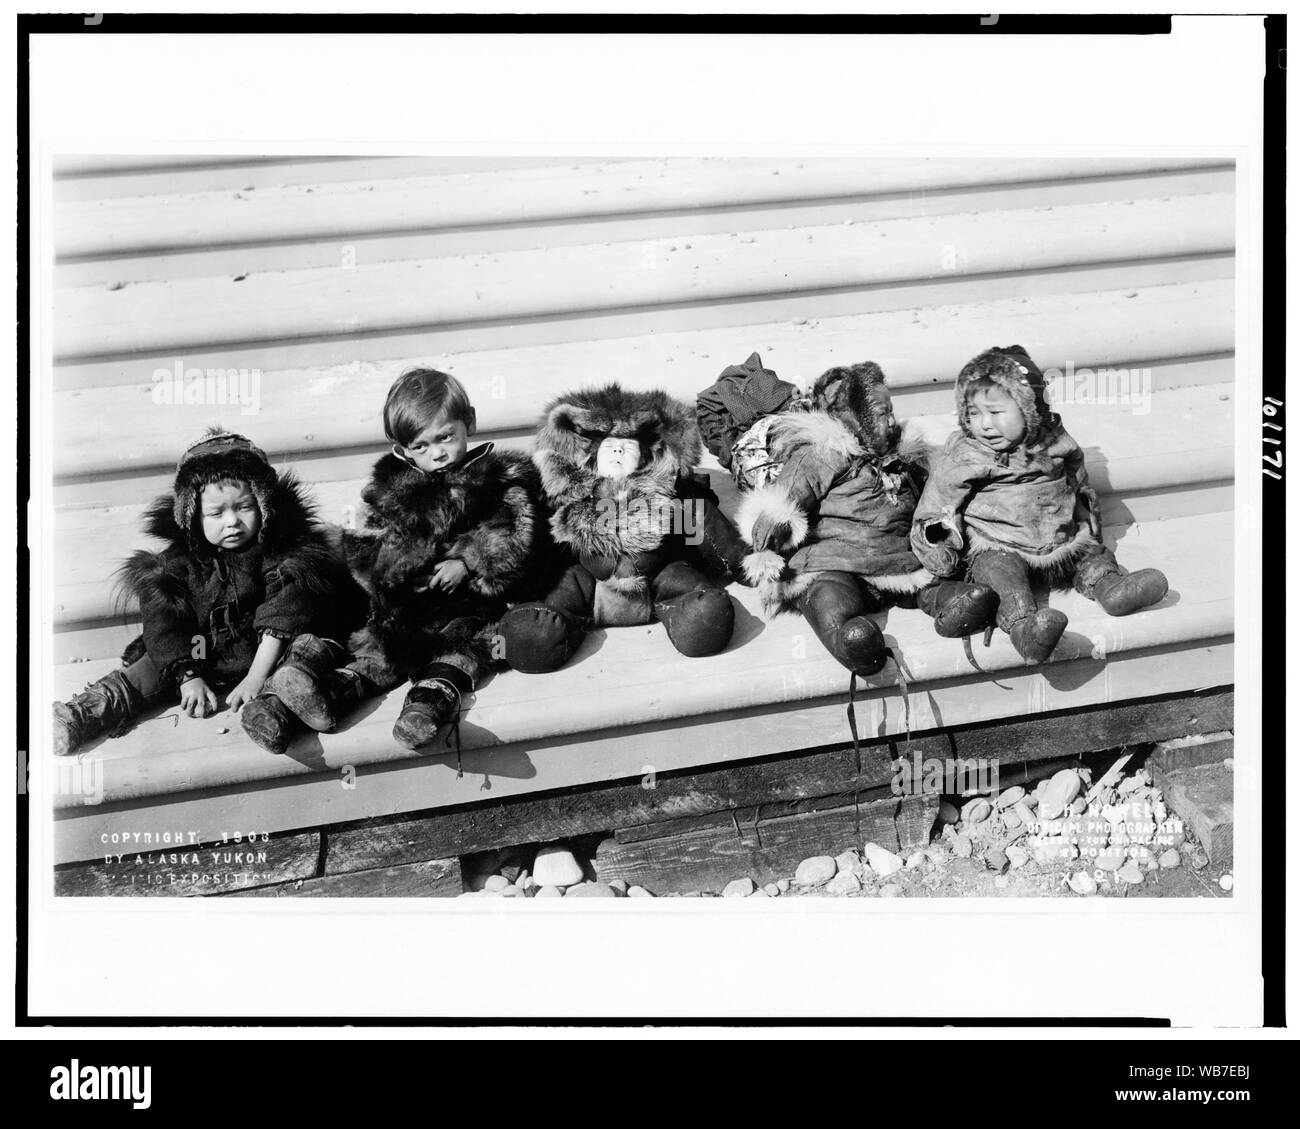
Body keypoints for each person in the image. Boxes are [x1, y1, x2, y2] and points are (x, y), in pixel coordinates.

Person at [246, 368, 551, 751]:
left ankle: (425, 707)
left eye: (446, 437)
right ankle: (290, 709)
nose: (437, 453)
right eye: (421, 447)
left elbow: (514, 536)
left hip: (471, 608)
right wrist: (402, 571)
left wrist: (469, 563)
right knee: (374, 658)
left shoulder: (498, 480)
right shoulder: (394, 490)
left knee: (461, 654)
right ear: (403, 450)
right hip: (409, 613)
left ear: (468, 422)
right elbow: (369, 545)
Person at [53, 429, 366, 756]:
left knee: (308, 651)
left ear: (264, 504)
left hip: (267, 654)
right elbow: (166, 627)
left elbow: (282, 616)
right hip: (200, 654)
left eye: (244, 507)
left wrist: (256, 677)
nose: (233, 522)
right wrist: (187, 675)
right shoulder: (177, 567)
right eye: (216, 513)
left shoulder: (283, 555)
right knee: (147, 668)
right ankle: (88, 711)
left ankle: (276, 709)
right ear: (191, 514)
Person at [910, 345, 1168, 663]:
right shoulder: (966, 454)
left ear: (1029, 409)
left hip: (1060, 540)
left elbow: (1075, 471)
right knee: (1000, 574)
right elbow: (935, 504)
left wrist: (1084, 512)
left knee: (1090, 555)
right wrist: (940, 552)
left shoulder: (1052, 440)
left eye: (996, 412)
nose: (984, 424)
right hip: (999, 542)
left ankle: (1111, 588)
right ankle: (1024, 627)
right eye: (973, 413)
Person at [737, 361, 998, 676]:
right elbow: (785, 498)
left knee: (930, 581)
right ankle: (852, 642)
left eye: (891, 411)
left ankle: (955, 603)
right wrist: (767, 545)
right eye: (880, 413)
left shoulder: (902, 454)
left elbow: (940, 482)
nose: (891, 421)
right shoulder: (823, 454)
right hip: (837, 561)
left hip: (898, 563)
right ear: (851, 416)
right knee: (827, 595)